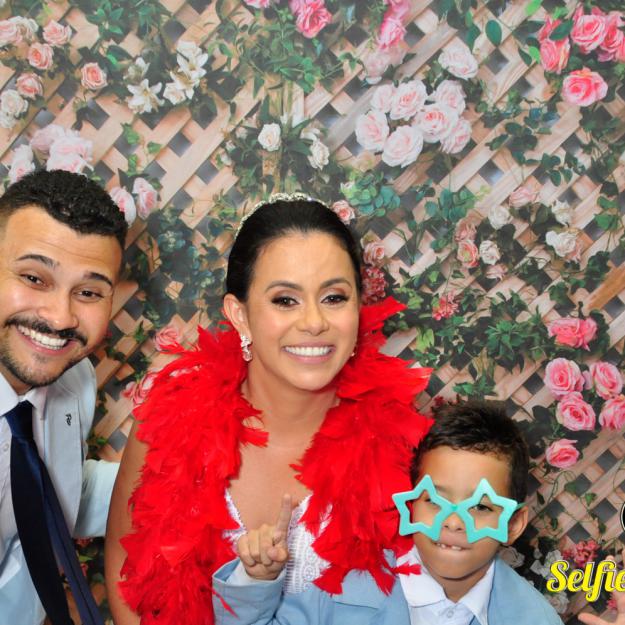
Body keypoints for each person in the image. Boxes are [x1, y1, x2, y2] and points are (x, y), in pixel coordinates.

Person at [105, 193, 432, 625]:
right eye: (285, 300)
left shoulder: (405, 446)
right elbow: (126, 584)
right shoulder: (164, 428)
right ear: (239, 315)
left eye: (334, 297)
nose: (314, 322)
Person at [0, 169, 128, 625]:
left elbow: (49, 487)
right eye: (34, 278)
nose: (59, 317)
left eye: (88, 292)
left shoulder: (75, 380)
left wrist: (173, 480)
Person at [394, 400, 564, 625]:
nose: (453, 522)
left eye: (480, 507)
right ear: (411, 505)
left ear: (512, 525)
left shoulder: (539, 620)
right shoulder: (347, 587)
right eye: (434, 500)